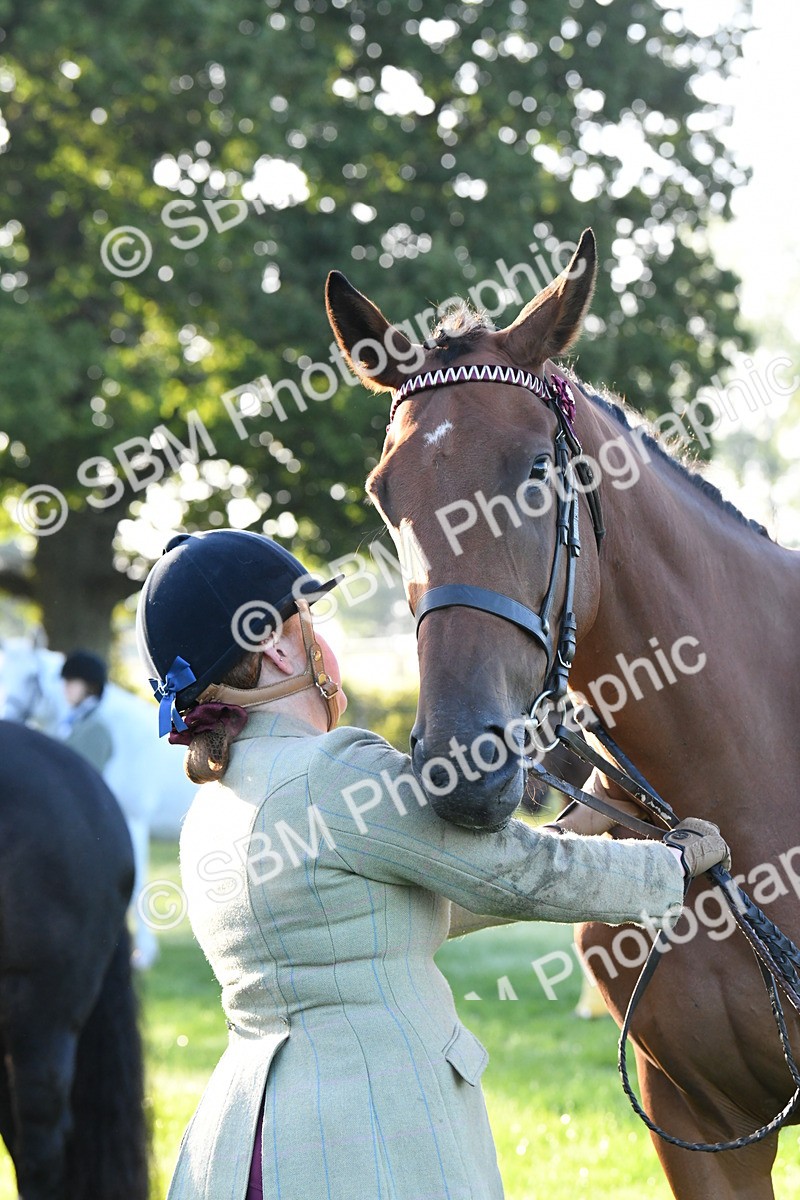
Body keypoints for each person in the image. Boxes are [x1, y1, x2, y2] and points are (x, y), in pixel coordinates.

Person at [136, 528, 730, 1200]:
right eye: (309, 620)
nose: (322, 639)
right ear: (276, 645)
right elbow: (509, 868)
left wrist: (581, 822)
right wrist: (670, 870)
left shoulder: (211, 810)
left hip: (243, 1145)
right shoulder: (334, 771)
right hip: (368, 1144)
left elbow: (401, 904)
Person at [58, 649, 114, 773]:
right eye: (66, 681)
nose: (66, 687)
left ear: (91, 685)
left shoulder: (96, 728)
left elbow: (87, 780)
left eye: (72, 681)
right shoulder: (74, 721)